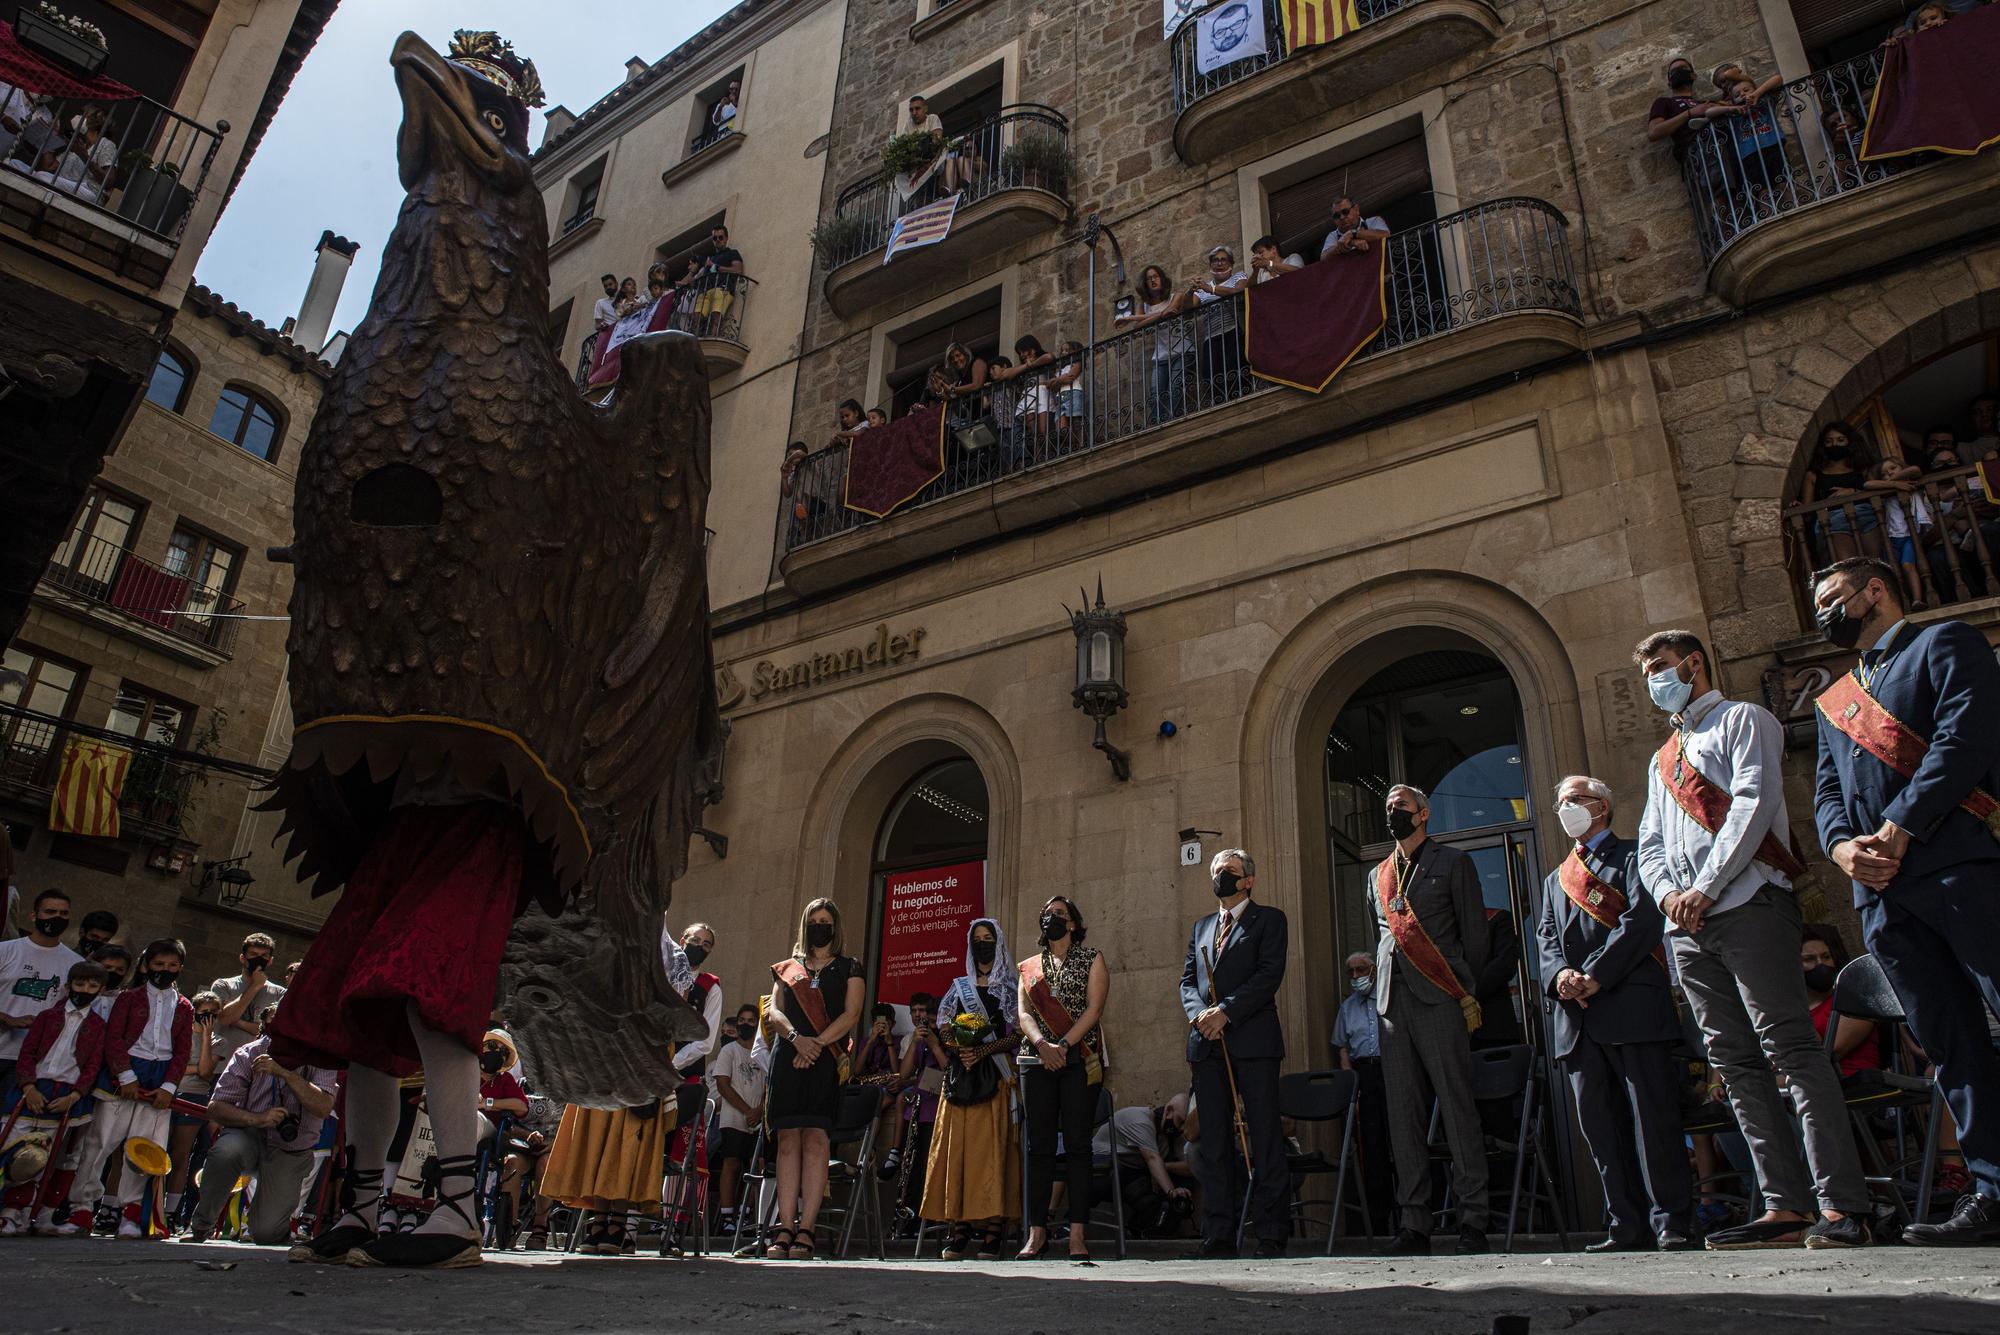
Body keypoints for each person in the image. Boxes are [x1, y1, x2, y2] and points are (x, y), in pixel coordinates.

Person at [1633, 628, 1872, 1249]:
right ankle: (1783, 1205)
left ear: (1692, 664)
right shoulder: (1661, 759)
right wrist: (1667, 897)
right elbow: (1650, 845)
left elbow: (1752, 803)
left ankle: (1841, 1203)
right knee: (1733, 1064)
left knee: (1791, 1049)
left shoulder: (1746, 719)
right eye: (1647, 672)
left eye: (1660, 667)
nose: (1654, 680)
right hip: (1686, 926)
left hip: (1747, 904)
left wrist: (1705, 888)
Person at [1809, 557, 2000, 1245]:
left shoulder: (1943, 644)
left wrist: (1899, 825)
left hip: (1957, 865)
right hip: (1882, 893)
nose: (1827, 612)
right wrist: (1840, 850)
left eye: (1834, 597)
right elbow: (1826, 791)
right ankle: (1993, 1187)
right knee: (1951, 1044)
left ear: (1876, 590)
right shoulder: (1834, 700)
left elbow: (1965, 740)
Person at [1535, 774, 1694, 1252]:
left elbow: (1641, 921)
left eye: (1576, 800)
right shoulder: (1554, 878)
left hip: (1631, 1007)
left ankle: (1672, 1222)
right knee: (1602, 1131)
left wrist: (1596, 975)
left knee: (1653, 1124)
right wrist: (1560, 976)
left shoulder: (1633, 856)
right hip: (1578, 1022)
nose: (1567, 809)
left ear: (1602, 806)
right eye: (1561, 802)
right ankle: (1625, 1224)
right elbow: (1544, 938)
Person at [1370, 787, 1492, 1255]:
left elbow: (1474, 938)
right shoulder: (1377, 875)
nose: (1392, 813)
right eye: (1388, 807)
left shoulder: (1453, 863)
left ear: (1423, 814)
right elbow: (1383, 934)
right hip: (1392, 1006)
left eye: (1401, 806)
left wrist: (1459, 987)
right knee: (1403, 1118)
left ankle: (1472, 1220)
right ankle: (1414, 1222)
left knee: (1458, 1110)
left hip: (1440, 998)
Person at [534, 925, 698, 1257]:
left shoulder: (673, 959)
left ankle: (619, 1222)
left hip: (644, 1056)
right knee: (597, 1137)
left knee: (629, 1138)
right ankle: (597, 1220)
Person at [1179, 847, 1289, 1258]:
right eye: (1216, 871)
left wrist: (1225, 1012)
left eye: (1230, 871)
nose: (1221, 876)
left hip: (1254, 1042)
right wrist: (1200, 1017)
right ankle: (1218, 1234)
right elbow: (1187, 981)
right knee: (1214, 1143)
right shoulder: (1201, 926)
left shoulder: (1270, 920)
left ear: (1248, 880)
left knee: (1263, 1137)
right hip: (1207, 1046)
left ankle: (1271, 1232)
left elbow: (1268, 975)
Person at [69, 938, 193, 1238]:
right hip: (122, 1077)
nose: (165, 970)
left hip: (160, 1079)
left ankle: (132, 1211)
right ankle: (81, 1208)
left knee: (145, 1150)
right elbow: (114, 1040)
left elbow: (182, 1050)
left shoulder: (185, 1006)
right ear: (146, 965)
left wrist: (168, 1086)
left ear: (180, 968)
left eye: (172, 966)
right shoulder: (129, 998)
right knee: (99, 1143)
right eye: (159, 965)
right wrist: (126, 1076)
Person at [184, 1005, 337, 1245]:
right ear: (266, 1024)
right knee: (227, 1151)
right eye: (277, 1021)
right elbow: (216, 1107)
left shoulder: (320, 1057)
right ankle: (201, 1224)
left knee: (267, 1234)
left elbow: (322, 1107)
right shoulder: (249, 1052)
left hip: (290, 1148)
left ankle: (265, 1221)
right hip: (250, 1135)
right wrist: (257, 1119)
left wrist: (285, 1073)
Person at [764, 897, 864, 1260]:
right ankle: (785, 1226)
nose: (820, 927)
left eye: (826, 921)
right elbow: (774, 1011)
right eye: (814, 921)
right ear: (806, 926)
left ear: (835, 928)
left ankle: (807, 1228)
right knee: (787, 1140)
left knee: (817, 1141)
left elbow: (852, 1014)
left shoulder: (850, 966)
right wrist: (797, 1040)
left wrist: (817, 1045)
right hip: (788, 1056)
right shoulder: (787, 969)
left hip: (825, 1058)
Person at [921, 917, 1021, 1260]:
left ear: (998, 942)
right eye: (976, 939)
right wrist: (958, 1047)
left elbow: (1018, 1033)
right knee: (958, 1154)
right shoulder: (958, 986)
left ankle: (993, 1229)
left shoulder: (1009, 986)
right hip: (961, 1079)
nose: (982, 944)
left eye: (988, 938)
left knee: (991, 1154)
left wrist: (983, 1049)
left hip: (994, 1076)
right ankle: (959, 1227)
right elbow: (945, 1025)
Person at [1017, 894, 1109, 1262]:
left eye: (1059, 914)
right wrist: (1042, 1045)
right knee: (1038, 1148)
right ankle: (1036, 1233)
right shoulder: (1028, 967)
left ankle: (1077, 1234)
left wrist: (1064, 1046)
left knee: (1077, 1148)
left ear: (1072, 923)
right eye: (1046, 914)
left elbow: (1095, 1007)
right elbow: (1022, 1014)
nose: (1051, 918)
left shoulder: (1092, 958)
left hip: (1077, 1060)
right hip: (1036, 1060)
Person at [0, 959, 106, 1237]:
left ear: (101, 990)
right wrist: (28, 1087)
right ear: (68, 985)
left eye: (92, 985)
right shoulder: (47, 1017)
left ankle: (27, 1213)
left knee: (46, 1158)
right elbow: (27, 1054)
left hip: (67, 1097)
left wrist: (75, 1095)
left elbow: (93, 1066)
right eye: (80, 983)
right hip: (32, 1091)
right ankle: (7, 1209)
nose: (85, 989)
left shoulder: (98, 1026)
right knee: (12, 1150)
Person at [0, 889, 82, 1105]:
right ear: (34, 915)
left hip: (32, 1062)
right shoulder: (6, 951)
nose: (57, 918)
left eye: (64, 914)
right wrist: (7, 1018)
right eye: (50, 911)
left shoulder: (75, 964)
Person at [1331, 951, 1390, 1231]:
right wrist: (1350, 1085)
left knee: (1400, 1140)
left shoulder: (1387, 997)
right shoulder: (1347, 1007)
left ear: (1374, 970)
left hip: (1390, 1070)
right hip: (1363, 1076)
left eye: (1361, 970)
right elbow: (1342, 1048)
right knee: (1372, 1146)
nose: (1356, 977)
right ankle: (1377, 1221)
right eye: (1351, 972)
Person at [880, 990, 944, 1223]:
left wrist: (936, 1045)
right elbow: (905, 1072)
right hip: (917, 1109)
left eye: (935, 1019)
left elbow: (949, 1071)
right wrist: (917, 1042)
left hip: (938, 1110)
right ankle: (908, 1219)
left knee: (930, 1167)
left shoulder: (948, 1037)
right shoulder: (920, 1039)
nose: (931, 1024)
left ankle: (929, 1219)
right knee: (912, 1168)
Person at [165, 990, 225, 1228]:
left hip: (195, 1097)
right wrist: (187, 1068)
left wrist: (208, 1036)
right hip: (170, 1092)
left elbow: (205, 1071)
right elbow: (171, 1065)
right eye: (203, 1013)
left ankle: (171, 1211)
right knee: (162, 1151)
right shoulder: (180, 1034)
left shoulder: (219, 1041)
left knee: (181, 1156)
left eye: (213, 1014)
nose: (208, 1017)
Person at [709, 1002, 767, 1238]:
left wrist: (759, 1110)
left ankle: (746, 1213)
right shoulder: (729, 1051)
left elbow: (769, 1084)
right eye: (741, 1020)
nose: (745, 1024)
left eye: (751, 1021)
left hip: (759, 1122)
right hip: (733, 1118)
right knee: (731, 1164)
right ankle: (727, 1216)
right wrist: (746, 1110)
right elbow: (723, 1084)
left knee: (757, 1168)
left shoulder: (764, 1052)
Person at [1799, 924, 1881, 1080]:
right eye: (1809, 959)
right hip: (1807, 1083)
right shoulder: (1802, 1008)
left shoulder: (1854, 999)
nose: (1820, 964)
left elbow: (1829, 1054)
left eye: (1826, 957)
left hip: (1849, 1082)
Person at [1115, 263, 1191, 425]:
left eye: (1156, 276)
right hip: (1161, 355)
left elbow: (1171, 309)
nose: (1153, 280)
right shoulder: (1144, 305)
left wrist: (1129, 318)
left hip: (1182, 350)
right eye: (1149, 279)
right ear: (1145, 284)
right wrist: (1158, 315)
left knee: (1175, 389)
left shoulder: (1176, 296)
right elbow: (1139, 327)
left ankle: (1172, 422)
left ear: (1162, 279)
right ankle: (1157, 424)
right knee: (1156, 393)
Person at [208, 933, 287, 1074]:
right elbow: (225, 1019)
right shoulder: (223, 985)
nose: (259, 959)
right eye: (254, 954)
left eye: (264, 956)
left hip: (256, 1070)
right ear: (242, 958)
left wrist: (237, 1020)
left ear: (270, 961)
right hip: (221, 1067)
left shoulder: (279, 993)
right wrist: (255, 986)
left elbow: (270, 1032)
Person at [1190, 245, 1249, 405]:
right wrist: (1191, 290)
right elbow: (1188, 310)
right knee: (1213, 376)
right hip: (1211, 339)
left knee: (1236, 371)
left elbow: (1239, 292)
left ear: (1231, 263)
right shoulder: (1201, 289)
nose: (1219, 263)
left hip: (1234, 333)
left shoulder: (1238, 277)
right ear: (1210, 265)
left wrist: (1211, 289)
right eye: (1215, 260)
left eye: (1223, 260)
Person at [1647, 57, 1728, 163]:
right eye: (1673, 72)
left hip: (1724, 151)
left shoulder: (1704, 104)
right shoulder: (1664, 102)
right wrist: (1690, 113)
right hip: (1699, 158)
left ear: (1693, 76)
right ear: (1669, 84)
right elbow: (1654, 132)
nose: (1678, 72)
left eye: (1683, 68)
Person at [1319, 197, 1390, 259]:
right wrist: (1350, 242)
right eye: (1337, 215)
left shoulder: (1373, 221)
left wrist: (1352, 233)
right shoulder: (1333, 236)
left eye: (1345, 212)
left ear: (1356, 209)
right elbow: (1324, 257)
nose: (1342, 217)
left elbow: (1386, 235)